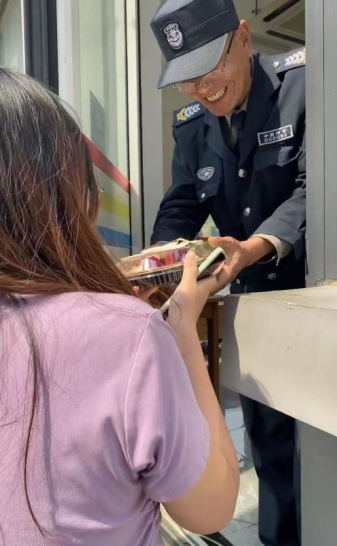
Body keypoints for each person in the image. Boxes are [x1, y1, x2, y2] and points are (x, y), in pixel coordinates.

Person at [0, 68, 239, 546]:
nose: (201, 87)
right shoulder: (129, 335)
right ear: (69, 193)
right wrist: (178, 329)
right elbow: (210, 509)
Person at [150, 1, 306, 544]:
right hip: (253, 309)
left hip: (310, 294)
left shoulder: (302, 87)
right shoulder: (193, 127)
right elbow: (181, 204)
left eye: (210, 69)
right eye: (187, 79)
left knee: (324, 452)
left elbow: (317, 190)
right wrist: (158, 263)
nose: (202, 89)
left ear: (243, 37)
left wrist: (255, 246)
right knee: (271, 448)